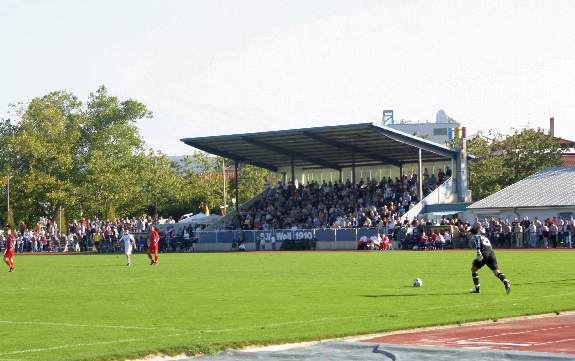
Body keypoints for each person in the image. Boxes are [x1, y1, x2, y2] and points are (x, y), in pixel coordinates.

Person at [469, 224, 511, 294]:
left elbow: (477, 242)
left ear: (472, 232)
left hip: (484, 253)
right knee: (496, 272)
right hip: (491, 253)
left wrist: (478, 251)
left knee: (473, 269)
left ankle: (477, 289)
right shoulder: (483, 236)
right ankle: (505, 281)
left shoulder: (475, 236)